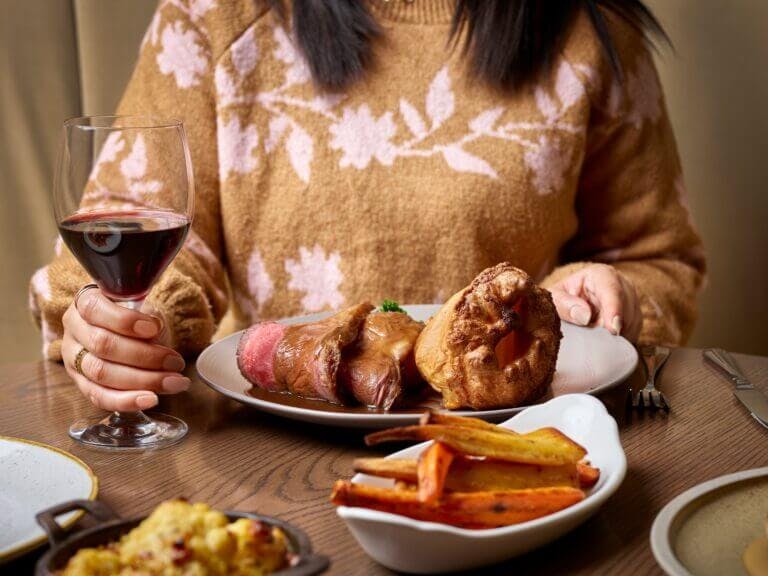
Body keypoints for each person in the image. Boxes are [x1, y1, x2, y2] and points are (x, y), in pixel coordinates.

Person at [30, 0, 705, 413]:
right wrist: (137, 327)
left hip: (520, 451)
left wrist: (611, 295)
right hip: (266, 449)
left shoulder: (592, 26)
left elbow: (659, 259)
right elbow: (124, 233)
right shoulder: (213, 15)